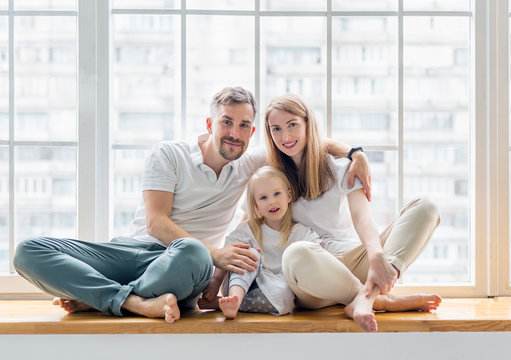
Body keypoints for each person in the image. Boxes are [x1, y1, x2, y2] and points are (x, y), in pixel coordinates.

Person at [13, 87, 371, 323]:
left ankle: (101, 297)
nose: (234, 132)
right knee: (28, 251)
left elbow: (303, 142)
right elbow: (156, 223)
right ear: (209, 123)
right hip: (135, 253)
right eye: (226, 122)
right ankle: (136, 303)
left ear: (252, 133)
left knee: (191, 254)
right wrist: (217, 254)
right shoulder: (170, 154)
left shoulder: (249, 163)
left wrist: (355, 153)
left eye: (244, 125)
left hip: (186, 268)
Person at [264, 94, 442, 332]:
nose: (285, 136)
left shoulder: (341, 167)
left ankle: (364, 299)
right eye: (276, 129)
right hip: (314, 277)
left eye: (292, 125)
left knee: (426, 206)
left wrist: (376, 256)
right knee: (295, 253)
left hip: (354, 261)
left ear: (307, 123)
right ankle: (377, 299)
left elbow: (362, 217)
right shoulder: (269, 174)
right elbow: (253, 224)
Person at [218, 166, 319, 319]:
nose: (272, 202)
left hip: (274, 289)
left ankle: (230, 305)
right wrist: (215, 282)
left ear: (289, 196)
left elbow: (317, 255)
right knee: (249, 254)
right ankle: (235, 299)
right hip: (240, 283)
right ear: (256, 205)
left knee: (286, 295)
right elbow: (227, 252)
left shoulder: (301, 233)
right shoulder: (248, 229)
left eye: (277, 194)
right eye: (263, 198)